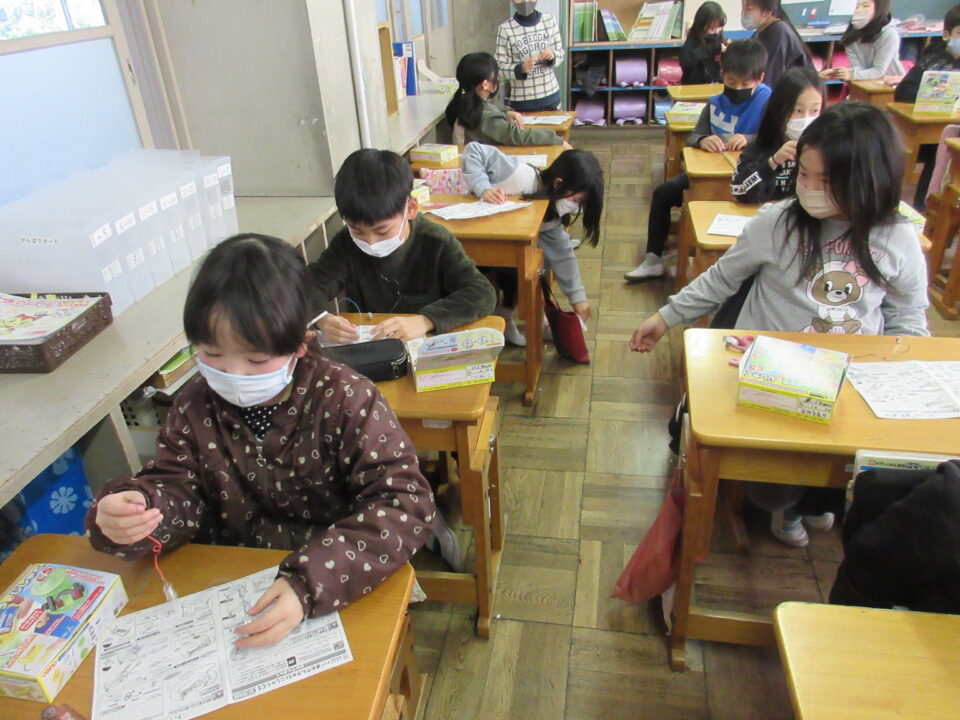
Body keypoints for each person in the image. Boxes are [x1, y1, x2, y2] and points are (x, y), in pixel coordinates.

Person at [85, 234, 436, 647]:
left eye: (256, 359)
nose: (234, 374)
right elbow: (178, 486)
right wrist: (141, 510)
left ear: (300, 344)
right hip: (232, 582)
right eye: (213, 354)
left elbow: (404, 504)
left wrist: (309, 583)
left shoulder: (345, 397)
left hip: (337, 578)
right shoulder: (194, 403)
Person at [629, 102, 930, 547]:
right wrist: (666, 316)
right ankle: (789, 504)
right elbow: (720, 278)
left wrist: (903, 371)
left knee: (854, 470)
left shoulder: (896, 236)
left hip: (848, 378)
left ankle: (810, 502)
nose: (809, 189)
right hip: (772, 378)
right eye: (804, 174)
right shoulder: (778, 222)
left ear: (868, 180)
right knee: (772, 486)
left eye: (826, 181)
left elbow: (908, 316)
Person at [308, 148, 496, 344]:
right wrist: (322, 318)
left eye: (382, 231)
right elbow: (308, 285)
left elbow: (481, 293)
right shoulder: (345, 244)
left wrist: (426, 320)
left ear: (411, 208)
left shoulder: (435, 241)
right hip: (375, 345)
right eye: (358, 231)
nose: (371, 242)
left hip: (429, 344)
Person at [625, 39, 771, 282]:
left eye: (746, 84)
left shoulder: (768, 103)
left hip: (749, 182)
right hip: (707, 175)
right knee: (662, 193)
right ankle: (653, 259)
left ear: (760, 78)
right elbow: (693, 136)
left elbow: (776, 140)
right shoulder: (715, 103)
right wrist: (703, 139)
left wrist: (749, 139)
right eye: (731, 81)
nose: (737, 88)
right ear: (722, 73)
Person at [461, 142, 603, 343]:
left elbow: (564, 254)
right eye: (576, 200)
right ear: (558, 184)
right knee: (522, 267)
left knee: (535, 266)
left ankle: (506, 315)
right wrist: (482, 187)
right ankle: (488, 320)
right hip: (468, 238)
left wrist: (577, 297)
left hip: (500, 249)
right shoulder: (519, 176)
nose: (574, 207)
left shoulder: (552, 217)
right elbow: (474, 149)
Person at [894, 4, 960, 206]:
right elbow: (903, 92)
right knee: (938, 153)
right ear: (947, 35)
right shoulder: (933, 61)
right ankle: (924, 206)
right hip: (933, 130)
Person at [731, 67, 824, 204]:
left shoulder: (826, 150)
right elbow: (738, 190)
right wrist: (772, 163)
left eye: (815, 110)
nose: (805, 118)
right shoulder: (758, 148)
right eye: (797, 110)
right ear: (778, 110)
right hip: (766, 215)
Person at [445, 52, 569, 147]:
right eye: (495, 77)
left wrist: (505, 112)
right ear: (485, 85)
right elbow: (518, 136)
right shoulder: (486, 117)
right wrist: (555, 139)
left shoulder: (461, 104)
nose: (497, 81)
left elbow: (489, 116)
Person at [495, 0, 566, 112]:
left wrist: (552, 56)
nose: (525, 2)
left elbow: (560, 53)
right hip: (522, 102)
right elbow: (499, 68)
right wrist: (521, 68)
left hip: (550, 98)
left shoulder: (549, 20)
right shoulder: (505, 29)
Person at [821, 0, 903, 82]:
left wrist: (851, 75)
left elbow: (879, 71)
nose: (859, 10)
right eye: (857, 7)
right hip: (865, 84)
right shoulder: (852, 36)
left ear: (879, 9)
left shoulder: (888, 34)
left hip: (890, 86)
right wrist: (837, 72)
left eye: (865, 6)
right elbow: (859, 69)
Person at [894, 4, 960, 102]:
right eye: (959, 33)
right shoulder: (931, 62)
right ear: (946, 35)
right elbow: (903, 93)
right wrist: (932, 94)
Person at [741, 0, 813, 88]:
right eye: (743, 7)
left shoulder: (778, 33)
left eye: (749, 8)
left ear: (767, 12)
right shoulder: (760, 31)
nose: (744, 13)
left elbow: (770, 80)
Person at [681, 1, 728, 84]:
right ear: (701, 25)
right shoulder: (693, 40)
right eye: (712, 28)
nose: (716, 31)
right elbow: (685, 60)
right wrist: (714, 48)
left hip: (716, 84)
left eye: (719, 27)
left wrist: (730, 49)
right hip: (695, 86)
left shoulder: (719, 39)